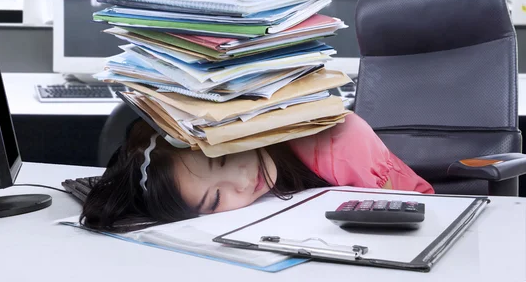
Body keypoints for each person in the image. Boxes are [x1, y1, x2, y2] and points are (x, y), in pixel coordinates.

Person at [81, 113, 434, 233]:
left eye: (224, 159)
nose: (242, 183)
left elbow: (401, 225)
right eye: (216, 198)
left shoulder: (340, 142)